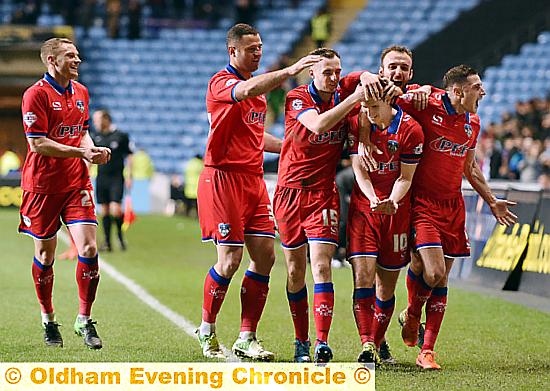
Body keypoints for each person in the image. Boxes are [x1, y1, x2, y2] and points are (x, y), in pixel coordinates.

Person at [196, 23, 321, 361]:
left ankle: (246, 336)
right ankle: (207, 330)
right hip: (222, 179)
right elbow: (245, 91)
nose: (258, 52)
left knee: (265, 256)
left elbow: (254, 136)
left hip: (252, 181)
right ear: (232, 51)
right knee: (230, 260)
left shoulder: (258, 92)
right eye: (252, 49)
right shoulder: (222, 83)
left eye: (260, 47)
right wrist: (292, 70)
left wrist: (287, 147)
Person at [392, 65, 517, 369]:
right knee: (432, 273)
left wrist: (492, 201)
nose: (483, 92)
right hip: (421, 203)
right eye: (477, 87)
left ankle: (427, 350)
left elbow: (470, 168)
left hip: (452, 206)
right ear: (458, 91)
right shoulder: (425, 104)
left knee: (437, 274)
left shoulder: (472, 122)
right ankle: (411, 314)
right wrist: (418, 89)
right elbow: (388, 99)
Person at [273, 47, 365, 363]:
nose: (334, 77)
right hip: (289, 195)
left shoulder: (342, 90)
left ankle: (321, 343)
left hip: (323, 196)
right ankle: (301, 339)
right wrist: (354, 99)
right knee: (296, 271)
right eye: (327, 71)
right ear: (311, 72)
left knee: (322, 266)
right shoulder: (297, 98)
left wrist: (363, 79)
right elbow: (318, 126)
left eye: (337, 71)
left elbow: (362, 77)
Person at [19, 37, 110, 349]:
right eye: (70, 56)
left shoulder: (82, 92)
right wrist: (80, 153)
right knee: (45, 254)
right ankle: (48, 319)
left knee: (88, 250)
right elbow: (38, 144)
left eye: (78, 55)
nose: (78, 60)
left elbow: (81, 131)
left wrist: (90, 149)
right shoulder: (35, 95)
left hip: (75, 184)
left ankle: (84, 320)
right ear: (51, 60)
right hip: (41, 187)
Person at [347, 94, 423, 365]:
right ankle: (367, 343)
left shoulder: (411, 129)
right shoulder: (358, 122)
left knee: (386, 287)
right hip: (364, 209)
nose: (368, 113)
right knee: (363, 277)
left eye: (374, 108)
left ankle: (377, 342)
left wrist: (392, 200)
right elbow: (359, 170)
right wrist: (373, 199)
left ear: (389, 104)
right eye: (365, 108)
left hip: (396, 211)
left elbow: (405, 177)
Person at [92, 109, 134, 252]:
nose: (95, 123)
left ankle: (120, 238)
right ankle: (107, 242)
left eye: (97, 120)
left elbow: (129, 156)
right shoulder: (95, 136)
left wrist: (129, 175)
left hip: (116, 178)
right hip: (101, 177)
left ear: (106, 120)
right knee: (104, 210)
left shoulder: (120, 136)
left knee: (116, 209)